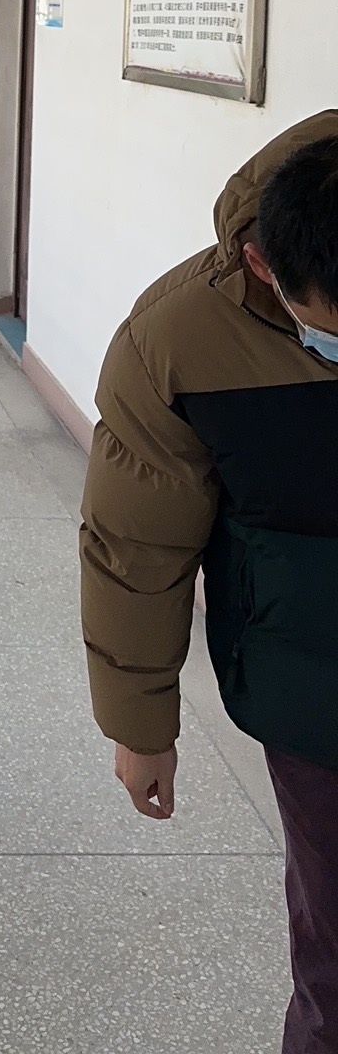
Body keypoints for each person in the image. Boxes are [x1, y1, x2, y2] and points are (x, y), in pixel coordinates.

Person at [81, 113, 338, 1054]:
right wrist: (141, 725)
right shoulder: (176, 342)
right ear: (266, 268)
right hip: (318, 689)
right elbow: (136, 545)